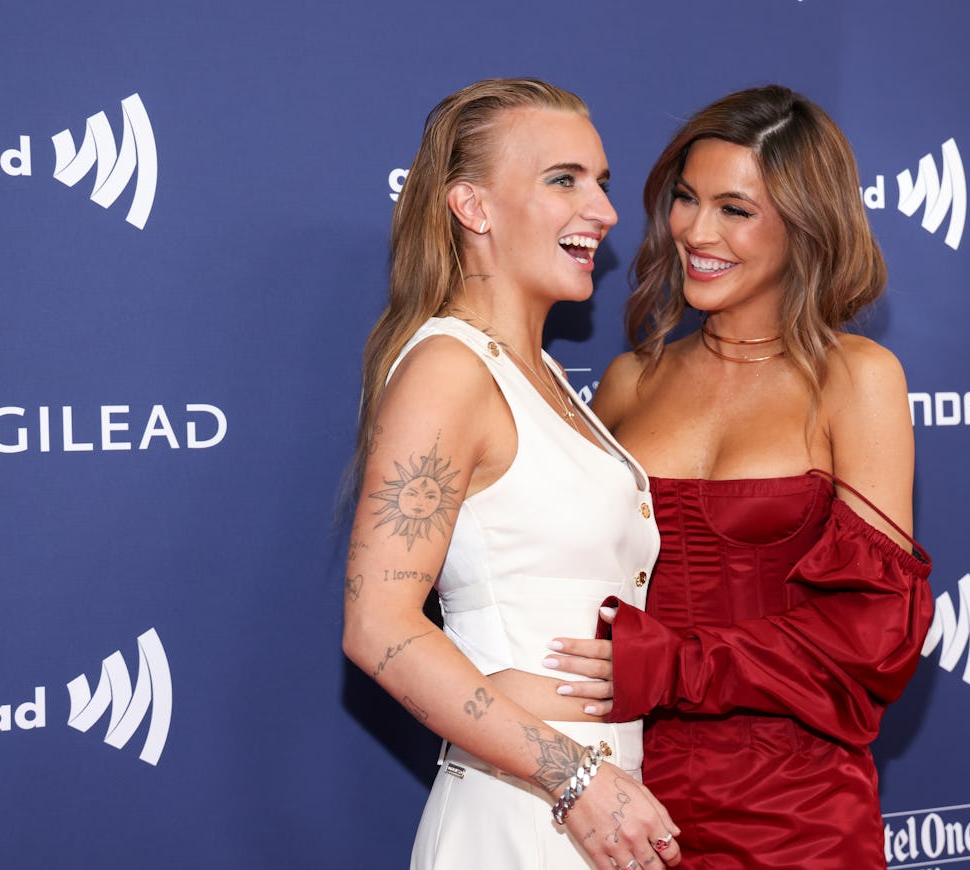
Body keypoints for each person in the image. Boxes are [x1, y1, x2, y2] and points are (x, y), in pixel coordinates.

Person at [544, 85, 935, 869]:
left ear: (805, 226)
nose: (696, 229)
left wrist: (676, 662)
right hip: (622, 807)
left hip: (794, 816)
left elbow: (874, 639)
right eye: (687, 199)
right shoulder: (630, 381)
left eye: (736, 209)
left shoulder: (855, 379)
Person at [341, 78, 681, 870]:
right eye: (563, 180)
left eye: (600, 182)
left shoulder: (544, 376)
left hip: (595, 810)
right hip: (528, 818)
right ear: (473, 207)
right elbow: (379, 626)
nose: (601, 210)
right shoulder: (447, 369)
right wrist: (577, 781)